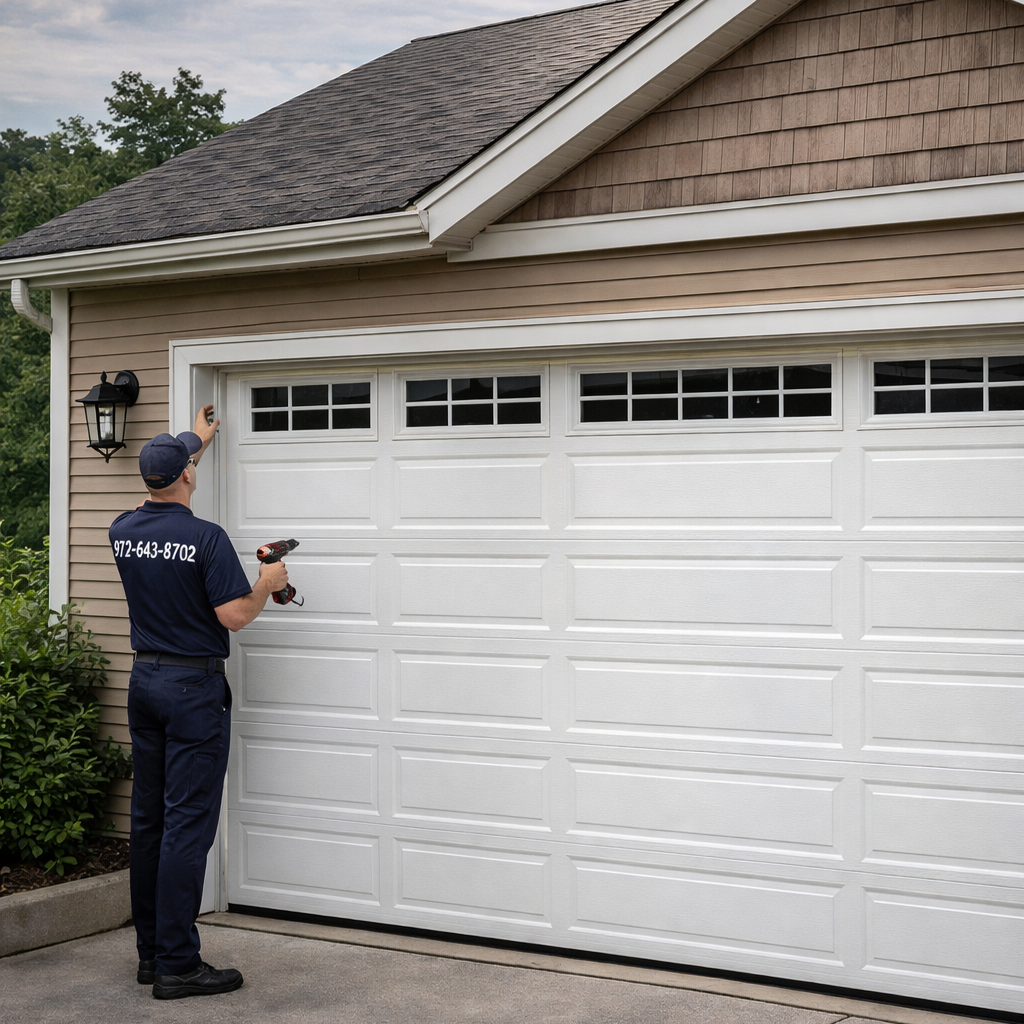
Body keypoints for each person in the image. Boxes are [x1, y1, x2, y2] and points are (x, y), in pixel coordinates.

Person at [109, 405, 289, 1000]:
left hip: (147, 685)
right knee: (187, 827)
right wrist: (267, 583)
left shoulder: (122, 529)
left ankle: (150, 954)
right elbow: (235, 617)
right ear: (187, 475)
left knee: (149, 821)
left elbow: (169, 477)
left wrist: (198, 439)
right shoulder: (207, 538)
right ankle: (179, 965)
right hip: (193, 692)